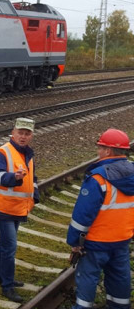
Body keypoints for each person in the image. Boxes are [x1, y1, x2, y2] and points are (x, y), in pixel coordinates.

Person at [66, 129, 134, 309]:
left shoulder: (98, 178)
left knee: (88, 280)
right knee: (120, 280)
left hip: (96, 243)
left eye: (101, 147)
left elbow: (83, 216)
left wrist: (75, 241)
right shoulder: (132, 173)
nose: (98, 151)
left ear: (108, 151)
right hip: (121, 241)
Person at [0, 118, 40, 303]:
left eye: (27, 134)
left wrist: (35, 193)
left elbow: (32, 176)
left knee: (5, 244)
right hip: (3, 207)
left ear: (31, 135)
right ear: (13, 132)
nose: (23, 137)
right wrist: (13, 178)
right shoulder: (3, 152)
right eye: (21, 133)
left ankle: (0, 275)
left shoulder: (27, 153)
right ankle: (7, 286)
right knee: (10, 246)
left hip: (18, 207)